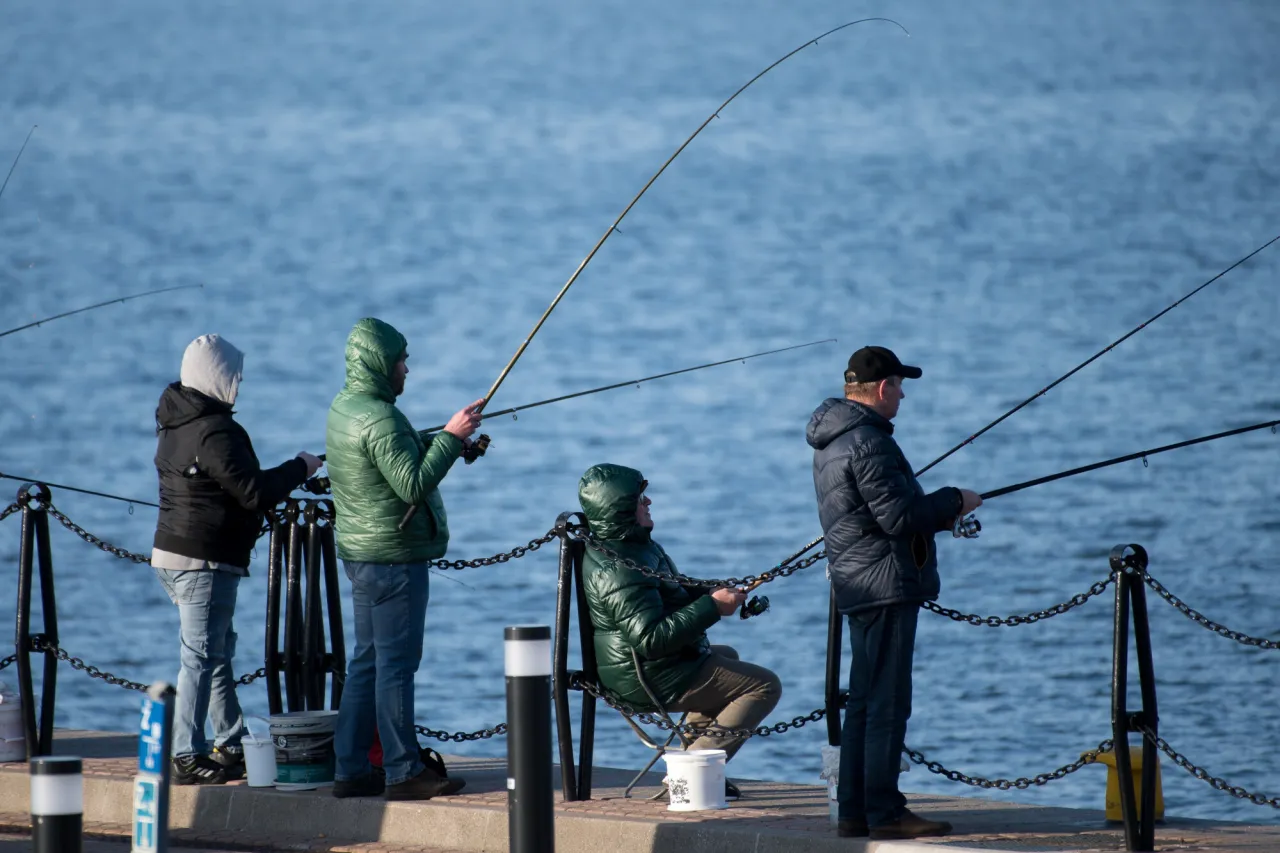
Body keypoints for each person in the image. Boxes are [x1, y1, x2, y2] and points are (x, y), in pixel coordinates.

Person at [806, 346, 982, 840]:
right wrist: (955, 500)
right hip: (883, 584)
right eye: (900, 386)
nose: (903, 394)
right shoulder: (869, 442)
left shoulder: (833, 439)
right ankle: (885, 813)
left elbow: (877, 515)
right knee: (886, 702)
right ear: (883, 388)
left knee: (863, 701)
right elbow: (898, 518)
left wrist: (937, 514)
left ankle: (854, 812)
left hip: (858, 582)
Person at [152, 333, 323, 785]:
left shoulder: (174, 422)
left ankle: (229, 741)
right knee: (201, 657)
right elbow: (253, 491)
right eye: (234, 375)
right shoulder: (214, 430)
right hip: (204, 562)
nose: (239, 384)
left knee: (217, 652)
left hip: (171, 555)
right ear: (215, 375)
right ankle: (186, 753)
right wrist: (302, 466)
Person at [324, 317, 483, 801]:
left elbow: (396, 463)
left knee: (368, 662)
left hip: (361, 554)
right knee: (396, 665)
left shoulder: (346, 408)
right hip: (393, 560)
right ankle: (402, 770)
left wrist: (450, 447)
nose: (407, 369)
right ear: (380, 363)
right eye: (401, 361)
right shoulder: (382, 418)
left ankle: (350, 769)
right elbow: (412, 484)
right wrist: (452, 438)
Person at [577, 462, 782, 799]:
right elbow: (650, 640)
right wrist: (713, 607)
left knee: (726, 656)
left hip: (648, 668)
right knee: (764, 685)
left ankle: (698, 758)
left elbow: (673, 591)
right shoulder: (619, 568)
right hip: (643, 676)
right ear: (621, 509)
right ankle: (692, 771)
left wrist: (718, 592)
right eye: (641, 498)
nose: (649, 503)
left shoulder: (632, 546)